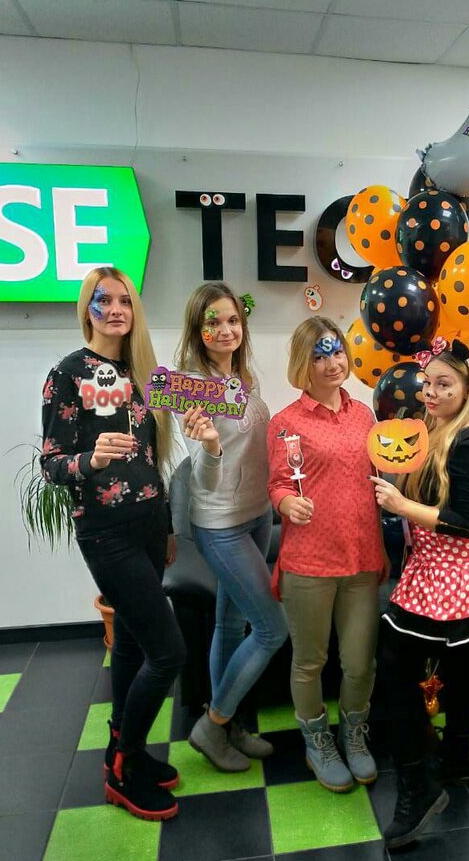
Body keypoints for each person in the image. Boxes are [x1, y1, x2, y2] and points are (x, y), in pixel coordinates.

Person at [40, 267, 185, 822]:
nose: (116, 310)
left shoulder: (143, 372)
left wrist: (166, 526)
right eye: (104, 301)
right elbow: (52, 464)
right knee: (168, 653)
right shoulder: (67, 374)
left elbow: (155, 458)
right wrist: (92, 459)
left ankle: (124, 751)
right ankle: (124, 768)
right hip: (106, 532)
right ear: (88, 309)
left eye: (125, 300)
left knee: (128, 643)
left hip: (148, 525)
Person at [372, 337, 469, 849]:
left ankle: (418, 788)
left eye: (444, 384)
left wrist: (400, 506)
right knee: (457, 663)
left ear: (467, 389)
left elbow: (462, 522)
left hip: (453, 569)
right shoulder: (430, 431)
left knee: (395, 665)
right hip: (430, 565)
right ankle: (457, 758)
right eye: (427, 383)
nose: (430, 392)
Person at [267, 317, 387, 793]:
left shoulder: (365, 417)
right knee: (310, 662)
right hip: (309, 564)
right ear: (304, 362)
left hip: (362, 559)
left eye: (337, 352)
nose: (333, 363)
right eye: (320, 355)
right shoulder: (286, 423)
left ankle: (353, 734)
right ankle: (317, 741)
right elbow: (278, 483)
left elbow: (381, 476)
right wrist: (285, 503)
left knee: (360, 663)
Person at [175, 283, 288, 771]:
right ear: (197, 329)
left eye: (233, 321)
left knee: (230, 623)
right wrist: (209, 447)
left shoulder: (241, 377)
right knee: (271, 628)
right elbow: (202, 479)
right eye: (213, 322)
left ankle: (228, 721)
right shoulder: (190, 387)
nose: (226, 330)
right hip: (220, 523)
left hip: (257, 512)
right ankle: (213, 723)